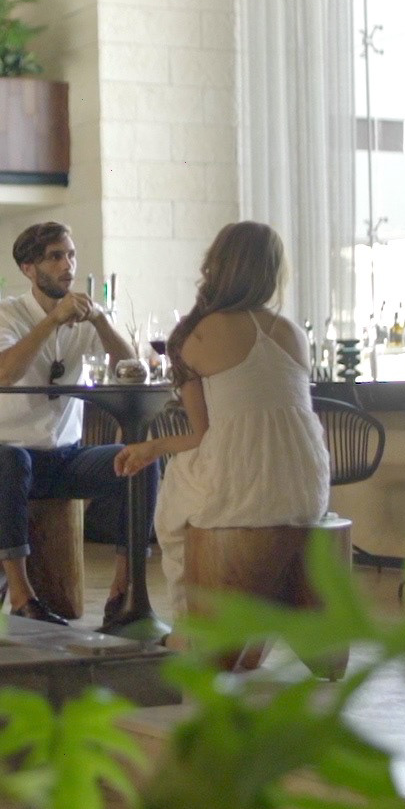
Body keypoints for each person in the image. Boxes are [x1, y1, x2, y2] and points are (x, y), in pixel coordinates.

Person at [114, 221, 329, 634]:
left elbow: (204, 435)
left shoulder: (198, 335)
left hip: (243, 489)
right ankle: (251, 629)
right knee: (196, 472)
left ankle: (191, 630)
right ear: (272, 272)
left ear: (217, 265)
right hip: (307, 489)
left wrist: (152, 448)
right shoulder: (292, 332)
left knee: (176, 497)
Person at [0, 221, 156, 627]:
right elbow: (3, 373)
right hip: (3, 457)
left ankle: (124, 589)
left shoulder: (85, 319)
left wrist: (101, 321)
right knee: (13, 462)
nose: (68, 265)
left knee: (142, 460)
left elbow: (132, 371)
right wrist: (52, 321)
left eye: (70, 255)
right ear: (28, 268)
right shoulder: (4, 314)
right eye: (55, 257)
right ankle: (22, 596)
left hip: (65, 459)